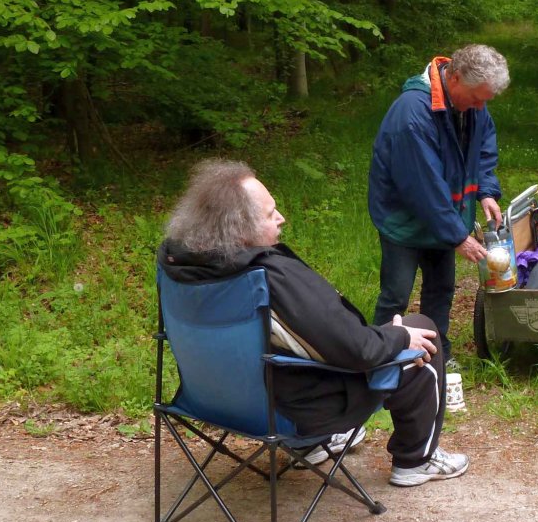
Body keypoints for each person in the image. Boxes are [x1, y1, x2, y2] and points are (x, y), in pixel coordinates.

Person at [158, 159, 470, 487]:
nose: (281, 218)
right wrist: (398, 336)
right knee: (421, 328)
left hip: (212, 401)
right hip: (290, 415)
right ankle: (416, 460)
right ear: (239, 229)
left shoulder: (179, 266)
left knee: (283, 347)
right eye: (270, 214)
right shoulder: (267, 277)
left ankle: (314, 446)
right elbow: (357, 349)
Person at [368, 44, 510, 369]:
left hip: (444, 216)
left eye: (486, 100)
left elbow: (483, 148)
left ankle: (436, 354)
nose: (481, 107)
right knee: (396, 293)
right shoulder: (412, 114)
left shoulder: (472, 105)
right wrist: (458, 236)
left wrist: (486, 191)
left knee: (441, 288)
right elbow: (423, 188)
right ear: (455, 78)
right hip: (404, 220)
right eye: (476, 98)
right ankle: (379, 357)